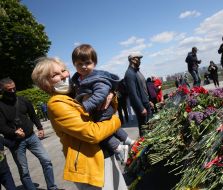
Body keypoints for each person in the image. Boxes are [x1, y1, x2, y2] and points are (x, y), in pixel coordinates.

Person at [32, 57, 128, 190]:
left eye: (63, 71)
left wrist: (110, 93)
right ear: (45, 84)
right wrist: (116, 120)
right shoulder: (57, 104)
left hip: (104, 154)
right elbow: (92, 134)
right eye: (55, 75)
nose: (63, 76)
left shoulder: (78, 91)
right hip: (89, 164)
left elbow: (106, 109)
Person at [71, 44, 133, 164]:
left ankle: (118, 148)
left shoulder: (96, 78)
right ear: (74, 64)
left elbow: (100, 93)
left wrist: (85, 106)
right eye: (79, 64)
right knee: (112, 127)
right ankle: (128, 140)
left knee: (101, 131)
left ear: (94, 63)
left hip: (101, 109)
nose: (83, 67)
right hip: (101, 109)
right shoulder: (80, 79)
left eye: (87, 63)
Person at [0, 77, 58, 190]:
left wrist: (40, 127)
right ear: (2, 90)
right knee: (24, 171)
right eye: (9, 90)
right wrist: (14, 132)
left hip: (31, 137)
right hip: (16, 142)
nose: (12, 91)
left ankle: (52, 187)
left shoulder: (23, 100)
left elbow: (33, 115)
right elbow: (1, 126)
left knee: (46, 161)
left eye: (14, 88)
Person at [124, 53, 153, 137]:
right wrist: (141, 108)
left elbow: (143, 88)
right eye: (138, 59)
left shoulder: (136, 71)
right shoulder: (129, 74)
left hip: (145, 103)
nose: (140, 61)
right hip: (141, 106)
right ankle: (144, 146)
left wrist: (149, 100)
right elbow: (132, 93)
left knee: (149, 127)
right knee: (144, 128)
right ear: (132, 60)